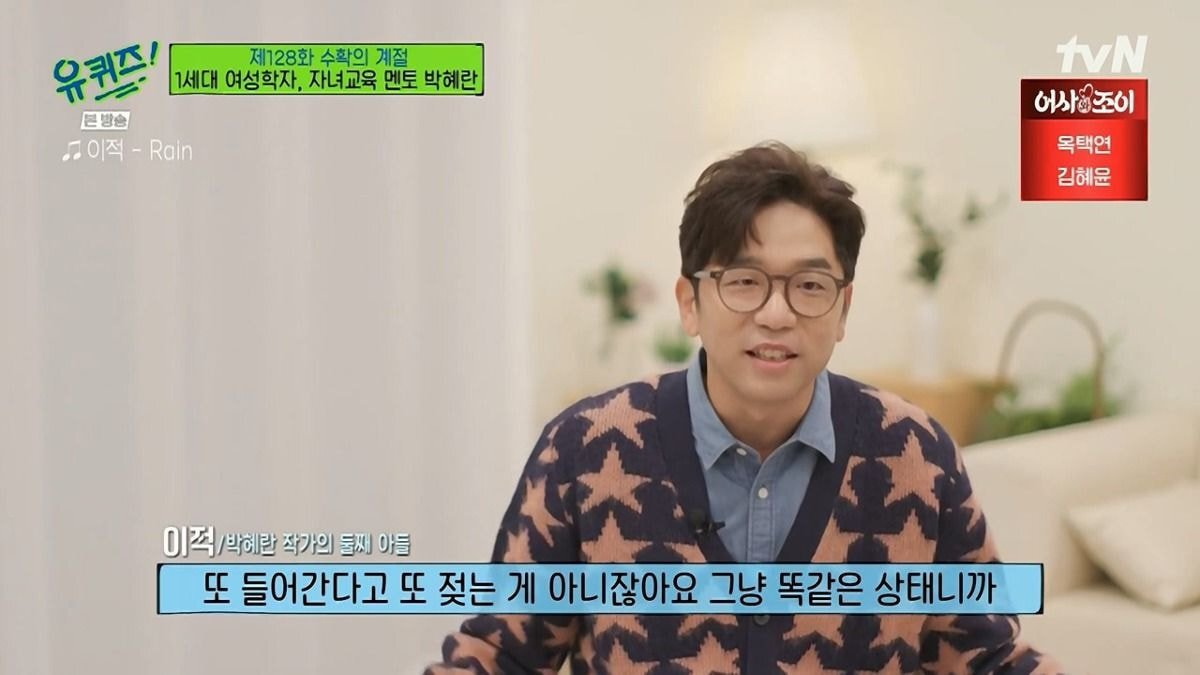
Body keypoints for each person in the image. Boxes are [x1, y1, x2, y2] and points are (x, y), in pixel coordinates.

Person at [425, 141, 1064, 673]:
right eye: (744, 281)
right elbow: (500, 655)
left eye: (809, 285)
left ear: (843, 309)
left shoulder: (916, 456)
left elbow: (987, 656)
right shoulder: (586, 449)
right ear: (690, 303)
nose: (776, 313)